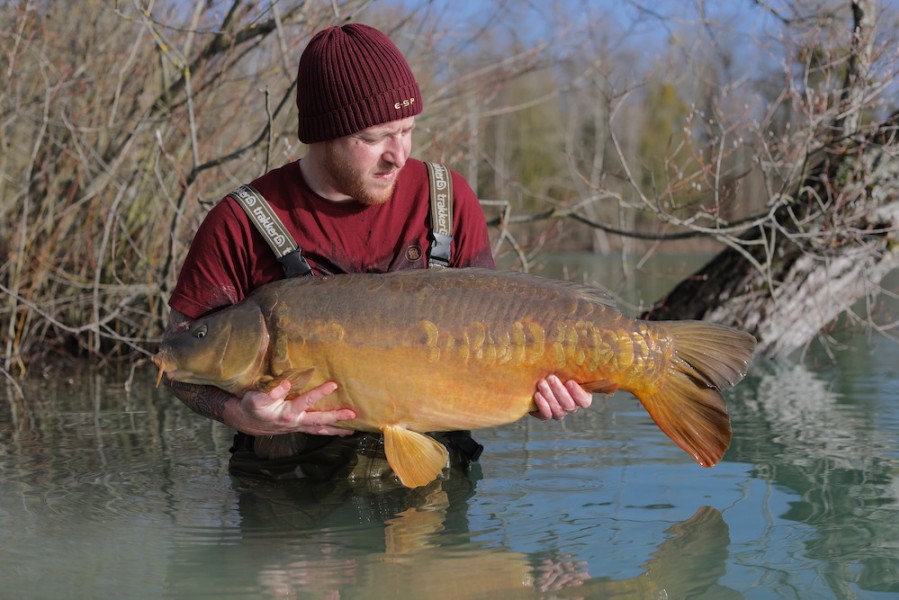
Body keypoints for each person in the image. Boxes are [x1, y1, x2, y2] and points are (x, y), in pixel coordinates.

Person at [164, 23, 592, 483]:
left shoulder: (446, 200)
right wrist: (237, 413)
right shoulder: (241, 222)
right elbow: (175, 362)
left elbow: (495, 336)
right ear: (321, 135)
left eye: (407, 130)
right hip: (291, 499)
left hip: (434, 491)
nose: (399, 155)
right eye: (374, 139)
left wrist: (542, 389)